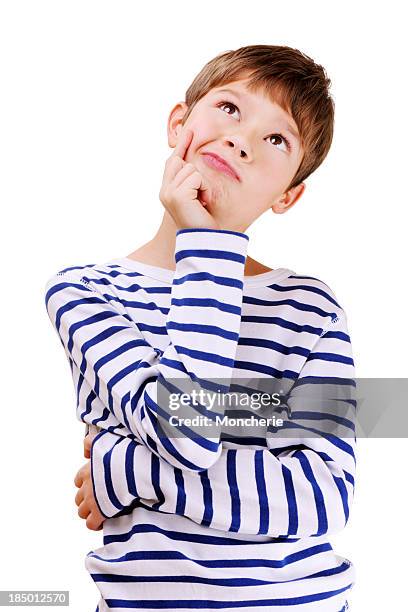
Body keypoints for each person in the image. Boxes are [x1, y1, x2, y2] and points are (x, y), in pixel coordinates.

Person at [44, 44, 356, 612]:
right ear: (179, 123)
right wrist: (208, 250)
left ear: (288, 194)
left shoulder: (310, 307)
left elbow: (324, 495)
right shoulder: (85, 292)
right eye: (230, 109)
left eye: (276, 139)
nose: (242, 140)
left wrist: (125, 470)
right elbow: (187, 434)